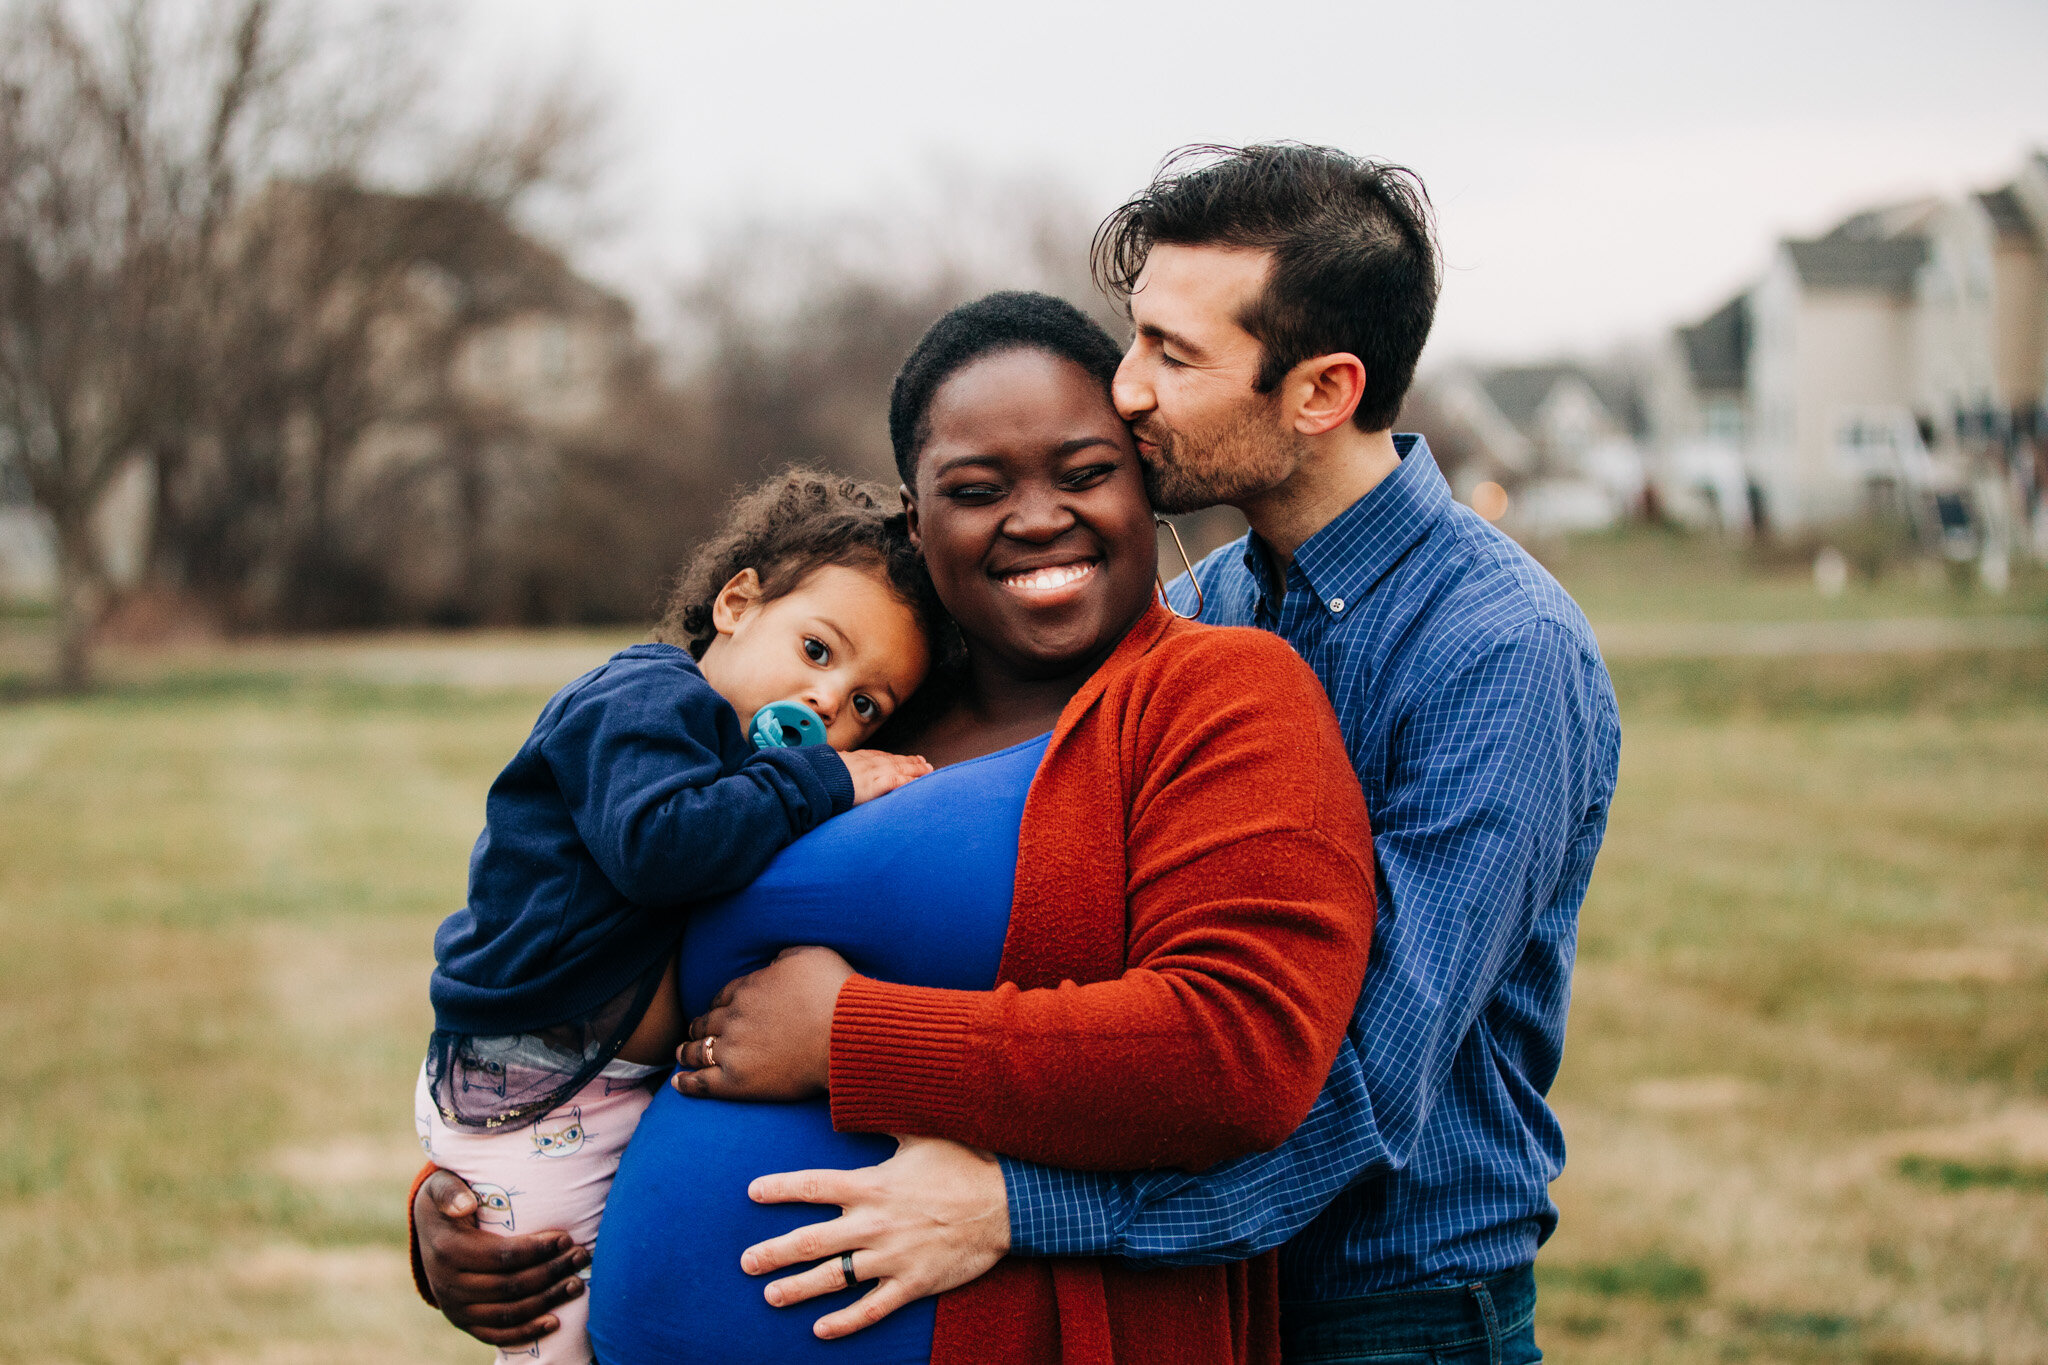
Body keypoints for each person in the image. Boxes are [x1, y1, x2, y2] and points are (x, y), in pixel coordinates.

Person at [657, 146, 1622, 1365]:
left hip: (1388, 1315)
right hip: (1207, 1300)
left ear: (1320, 391)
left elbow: (1352, 1088)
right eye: (1134, 338)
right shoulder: (1206, 604)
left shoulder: (1496, 651)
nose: (1125, 388)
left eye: (1172, 352)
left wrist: (1014, 1206)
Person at [411, 290, 1379, 1364]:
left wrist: (847, 1039)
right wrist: (468, 1194)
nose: (1034, 515)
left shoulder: (1218, 694)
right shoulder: (848, 721)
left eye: (1084, 472)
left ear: (1143, 486)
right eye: (975, 489)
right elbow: (591, 939)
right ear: (919, 526)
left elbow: (1234, 1052)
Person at [413, 470, 941, 1365]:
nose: (828, 701)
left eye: (865, 705)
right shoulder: (646, 699)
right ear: (737, 602)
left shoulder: (739, 770)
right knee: (553, 1338)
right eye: (818, 650)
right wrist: (826, 778)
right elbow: (657, 845)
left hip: (599, 1085)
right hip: (538, 1090)